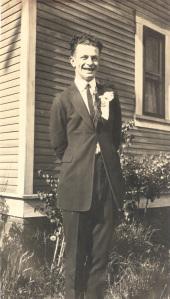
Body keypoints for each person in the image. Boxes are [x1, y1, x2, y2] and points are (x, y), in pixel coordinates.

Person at [50, 33, 124, 299]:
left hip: (107, 183)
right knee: (76, 258)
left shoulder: (110, 96)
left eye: (94, 57)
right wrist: (80, 164)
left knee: (99, 258)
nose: (90, 62)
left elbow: (114, 137)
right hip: (76, 185)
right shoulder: (63, 100)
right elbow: (59, 145)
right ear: (72, 61)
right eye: (84, 57)